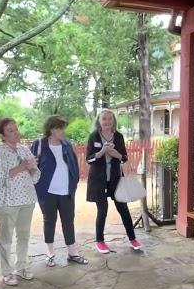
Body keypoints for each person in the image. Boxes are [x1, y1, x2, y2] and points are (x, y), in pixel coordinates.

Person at [31, 116, 88, 267]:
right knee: (49, 221)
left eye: (63, 128)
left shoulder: (67, 144)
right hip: (47, 192)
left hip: (66, 191)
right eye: (60, 128)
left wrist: (74, 182)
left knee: (68, 221)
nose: (63, 131)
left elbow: (74, 164)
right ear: (52, 129)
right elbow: (30, 167)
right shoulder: (39, 145)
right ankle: (50, 254)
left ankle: (73, 253)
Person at [0, 118, 40, 285]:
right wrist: (21, 167)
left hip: (27, 199)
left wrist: (32, 168)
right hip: (6, 202)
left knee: (24, 236)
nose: (16, 132)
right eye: (10, 130)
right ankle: (7, 272)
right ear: (2, 135)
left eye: (16, 129)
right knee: (6, 239)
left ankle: (22, 267)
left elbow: (36, 177)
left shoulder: (25, 149)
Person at [86, 109, 142, 254]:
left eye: (110, 119)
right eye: (104, 119)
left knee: (123, 209)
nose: (107, 122)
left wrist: (115, 153)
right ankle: (100, 241)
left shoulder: (118, 137)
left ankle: (132, 239)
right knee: (102, 210)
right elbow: (89, 159)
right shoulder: (94, 136)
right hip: (98, 180)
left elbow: (123, 158)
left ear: (113, 121)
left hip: (115, 179)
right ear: (99, 121)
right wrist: (102, 152)